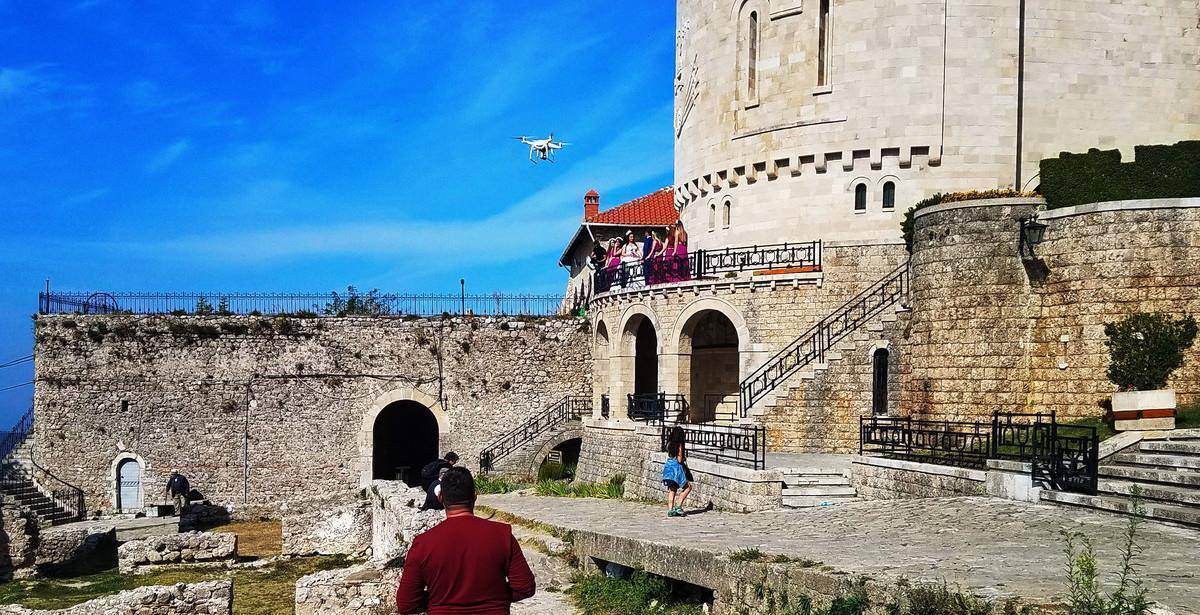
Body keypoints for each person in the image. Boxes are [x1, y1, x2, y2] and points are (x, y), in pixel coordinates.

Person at [395, 467, 536, 614]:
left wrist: (438, 602)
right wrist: (495, 598)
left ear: (440, 498)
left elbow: (406, 604)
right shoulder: (502, 535)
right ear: (474, 496)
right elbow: (525, 587)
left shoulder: (423, 544)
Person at [662, 441, 691, 517]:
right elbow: (679, 459)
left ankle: (670, 510)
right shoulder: (678, 444)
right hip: (676, 471)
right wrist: (683, 458)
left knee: (672, 489)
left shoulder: (669, 443)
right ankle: (678, 506)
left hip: (668, 469)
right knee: (688, 487)